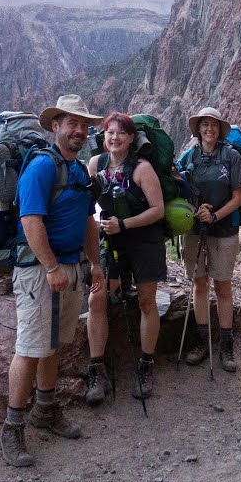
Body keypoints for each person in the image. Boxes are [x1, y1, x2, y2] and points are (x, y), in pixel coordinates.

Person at [0, 95, 106, 468]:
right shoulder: (42, 167)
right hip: (39, 271)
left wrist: (95, 263)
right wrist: (50, 267)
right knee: (30, 348)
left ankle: (45, 408)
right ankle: (12, 428)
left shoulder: (78, 170)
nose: (79, 130)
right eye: (71, 123)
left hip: (72, 268)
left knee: (53, 344)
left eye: (84, 124)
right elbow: (30, 220)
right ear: (55, 126)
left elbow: (88, 221)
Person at [86, 112, 166, 401]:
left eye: (121, 133)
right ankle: (97, 369)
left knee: (146, 301)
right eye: (110, 132)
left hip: (144, 240)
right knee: (97, 298)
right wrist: (95, 224)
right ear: (103, 137)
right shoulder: (96, 165)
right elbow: (88, 203)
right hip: (111, 240)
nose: (114, 137)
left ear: (132, 138)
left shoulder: (142, 168)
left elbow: (158, 210)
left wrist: (124, 224)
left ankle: (145, 364)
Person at [176, 107, 241, 372]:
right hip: (195, 230)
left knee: (222, 286)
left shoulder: (231, 157)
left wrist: (215, 215)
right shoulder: (189, 158)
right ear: (198, 129)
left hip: (224, 229)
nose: (209, 129)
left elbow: (238, 198)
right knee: (199, 284)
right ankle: (201, 340)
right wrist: (194, 210)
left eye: (214, 125)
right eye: (205, 125)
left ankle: (226, 345)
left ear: (219, 130)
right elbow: (178, 190)